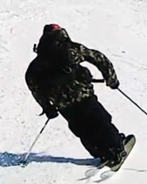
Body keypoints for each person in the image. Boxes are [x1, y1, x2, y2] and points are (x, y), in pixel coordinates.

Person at [24, 23, 134, 167]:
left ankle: (101, 153)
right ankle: (117, 149)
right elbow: (98, 57)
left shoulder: (36, 65)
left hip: (63, 104)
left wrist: (48, 108)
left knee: (83, 129)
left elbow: (33, 85)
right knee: (99, 121)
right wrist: (111, 78)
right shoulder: (70, 49)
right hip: (83, 95)